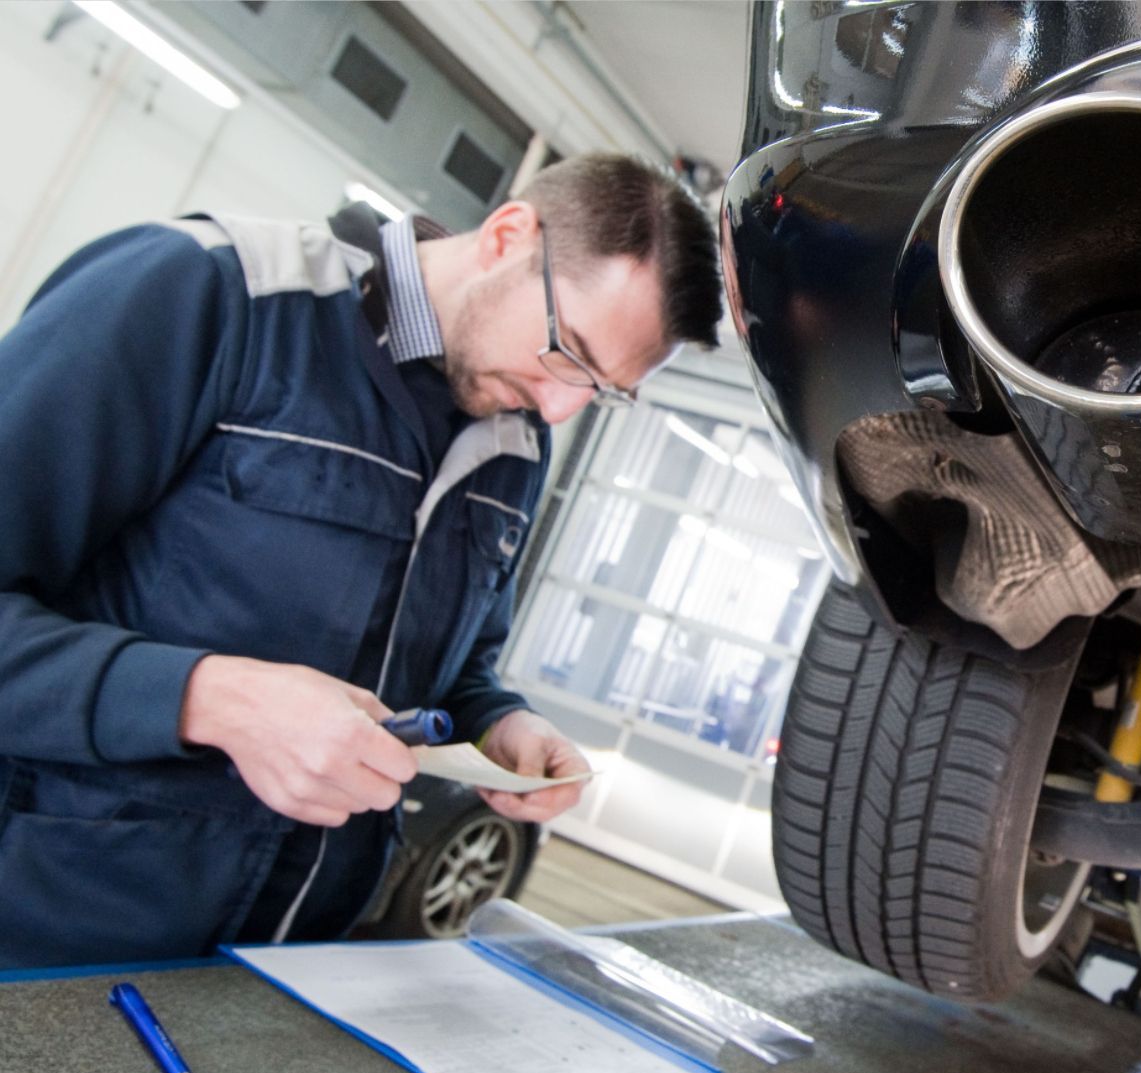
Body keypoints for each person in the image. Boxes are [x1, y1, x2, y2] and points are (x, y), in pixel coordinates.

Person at [0, 153, 723, 968]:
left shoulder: (516, 441)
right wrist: (210, 701)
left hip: (295, 960)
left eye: (603, 390)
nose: (560, 407)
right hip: (53, 939)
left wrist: (497, 724)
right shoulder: (213, 294)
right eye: (569, 352)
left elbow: (450, 668)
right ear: (508, 237)